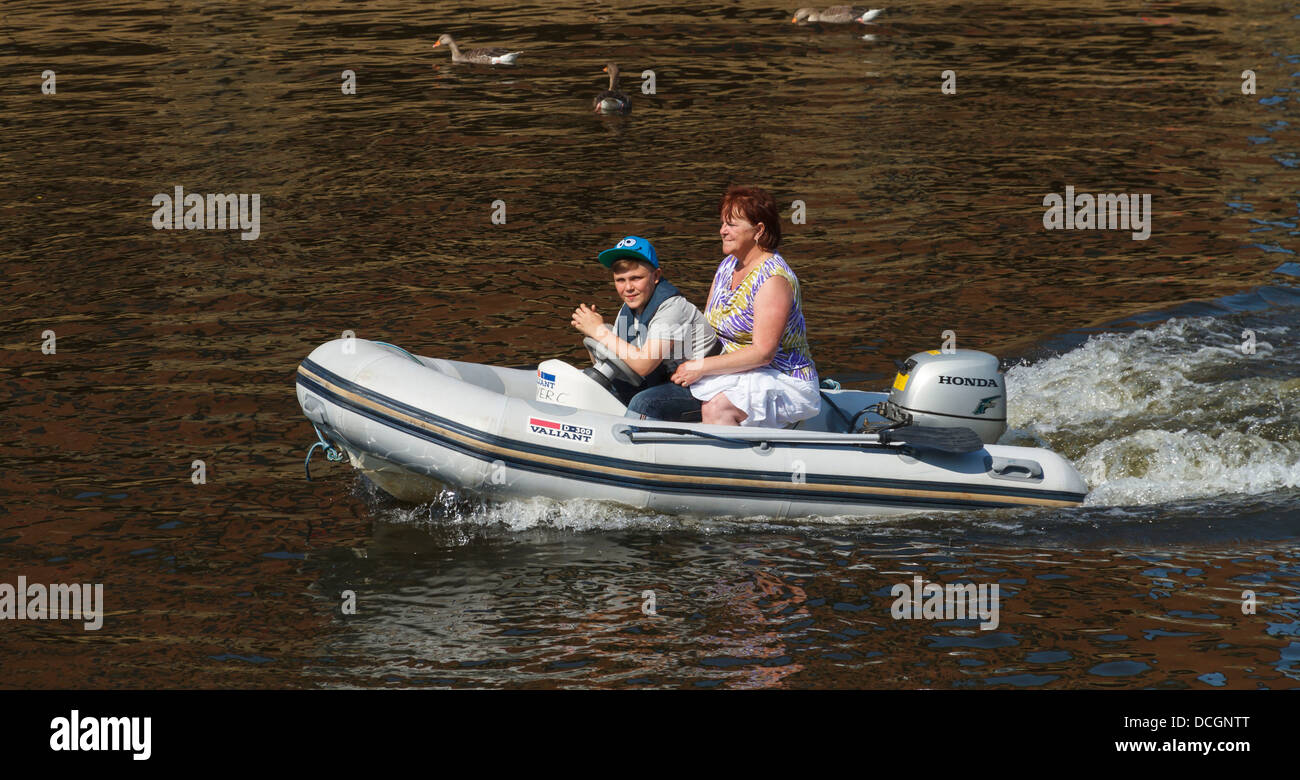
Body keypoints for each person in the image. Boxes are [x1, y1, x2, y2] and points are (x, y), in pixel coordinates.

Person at [669, 186, 820, 427]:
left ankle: (730, 451)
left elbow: (763, 353)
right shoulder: (728, 266)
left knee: (717, 407)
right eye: (722, 223)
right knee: (655, 388)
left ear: (759, 230)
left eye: (731, 224)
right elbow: (709, 327)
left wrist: (700, 367)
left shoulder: (773, 279)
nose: (722, 231)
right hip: (733, 371)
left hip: (781, 378)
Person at [570, 236, 717, 421]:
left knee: (644, 403)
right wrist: (594, 335)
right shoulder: (629, 308)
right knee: (596, 386)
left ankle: (625, 435)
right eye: (620, 280)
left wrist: (599, 331)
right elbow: (617, 357)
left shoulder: (672, 308)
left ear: (655, 276)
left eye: (636, 278)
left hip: (702, 386)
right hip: (664, 380)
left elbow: (643, 365)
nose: (628, 288)